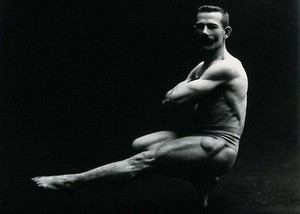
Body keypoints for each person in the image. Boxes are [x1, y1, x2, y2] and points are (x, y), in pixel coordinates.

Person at [32, 5, 248, 207]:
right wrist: (182, 93)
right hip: (201, 136)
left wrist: (183, 90)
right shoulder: (202, 67)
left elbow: (174, 98)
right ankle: (200, 177)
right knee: (142, 144)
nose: (204, 31)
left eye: (212, 26)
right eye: (200, 26)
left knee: (145, 160)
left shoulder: (226, 68)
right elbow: (170, 101)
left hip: (221, 146)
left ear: (226, 32)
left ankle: (70, 182)